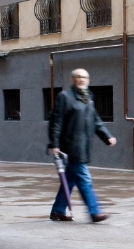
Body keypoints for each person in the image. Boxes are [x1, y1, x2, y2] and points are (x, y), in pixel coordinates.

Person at [47, 68, 117, 222]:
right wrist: (54, 143)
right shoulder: (65, 97)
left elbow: (96, 121)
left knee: (70, 179)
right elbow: (56, 122)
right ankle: (94, 211)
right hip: (71, 146)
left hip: (83, 146)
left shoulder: (88, 99)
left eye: (84, 77)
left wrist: (108, 137)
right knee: (84, 179)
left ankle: (57, 210)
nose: (81, 79)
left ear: (88, 80)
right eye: (78, 77)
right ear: (72, 80)